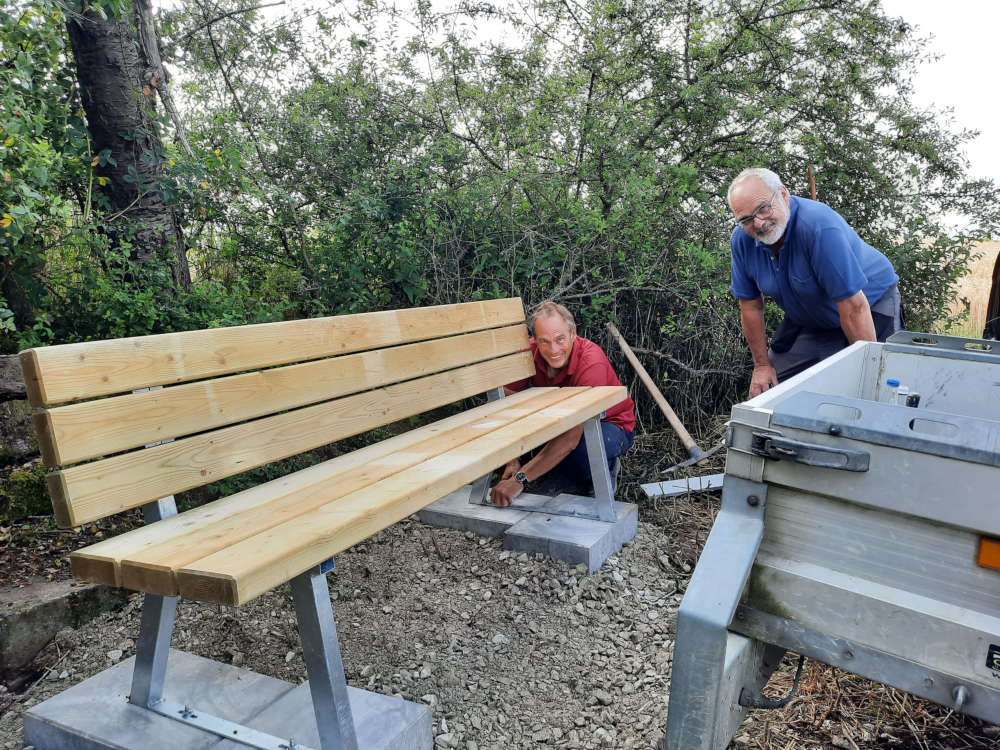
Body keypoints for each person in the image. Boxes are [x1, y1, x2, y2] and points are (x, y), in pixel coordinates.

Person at [728, 167, 903, 397]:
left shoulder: (818, 226)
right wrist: (761, 366)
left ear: (783, 194)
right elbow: (750, 306)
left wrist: (867, 373)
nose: (759, 223)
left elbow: (853, 306)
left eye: (763, 209)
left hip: (869, 307)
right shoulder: (742, 242)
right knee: (771, 392)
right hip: (811, 317)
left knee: (873, 387)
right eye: (747, 219)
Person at [489, 301, 636, 507]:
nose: (553, 349)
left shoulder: (591, 362)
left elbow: (570, 438)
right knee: (532, 446)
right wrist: (512, 459)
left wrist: (519, 479)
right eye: (544, 341)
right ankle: (559, 474)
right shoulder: (528, 353)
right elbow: (503, 406)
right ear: (535, 339)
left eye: (560, 339)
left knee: (582, 454)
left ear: (573, 333)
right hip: (559, 423)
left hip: (610, 426)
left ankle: (603, 468)